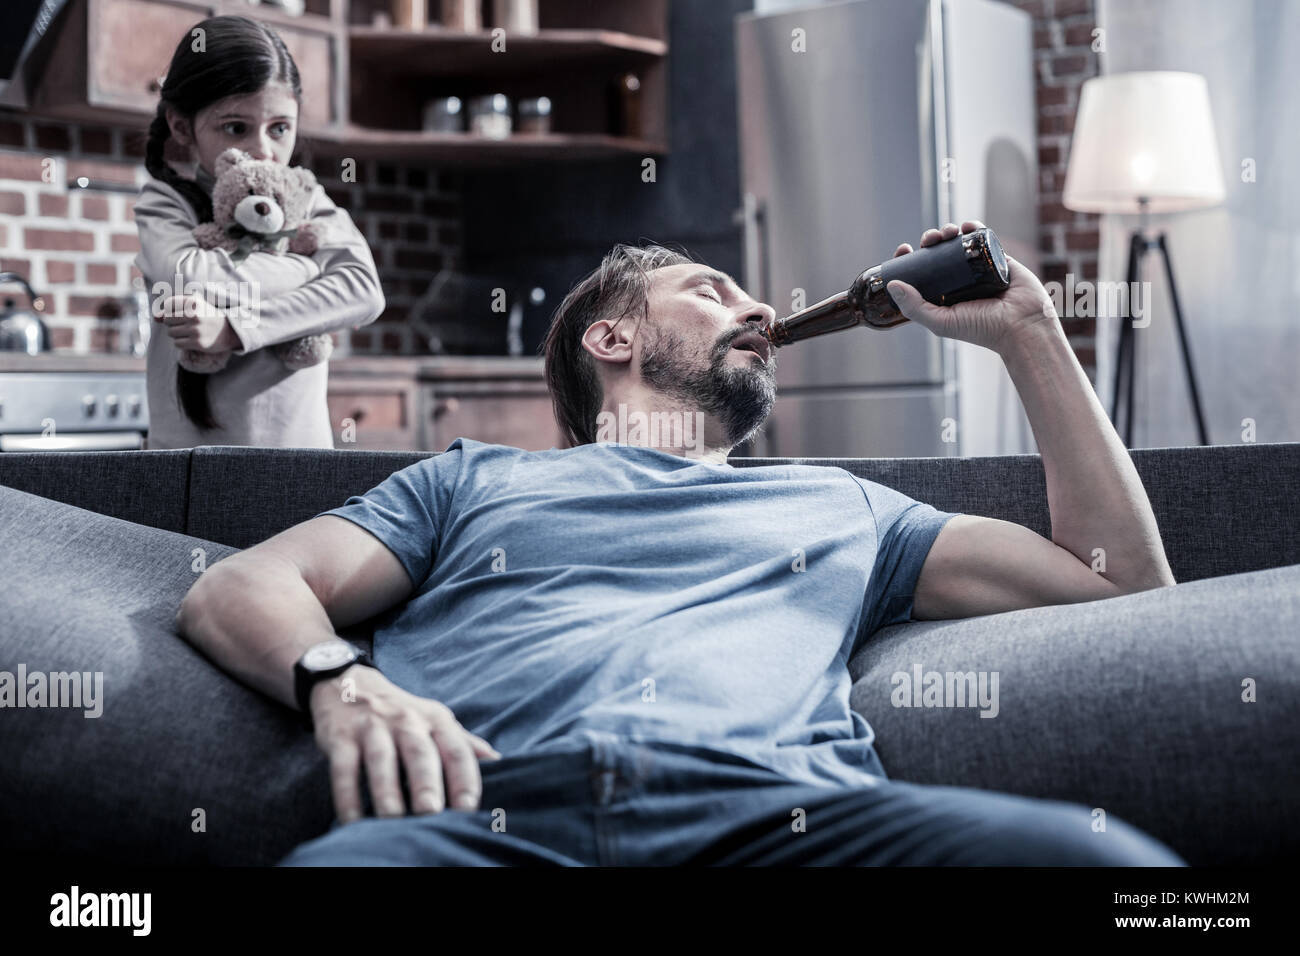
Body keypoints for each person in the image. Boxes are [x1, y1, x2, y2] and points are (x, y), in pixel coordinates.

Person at [175, 222, 1185, 865]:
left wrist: (1029, 331)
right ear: (611, 340)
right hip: (483, 821)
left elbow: (1128, 592)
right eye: (710, 289)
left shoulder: (840, 505)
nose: (755, 308)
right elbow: (240, 587)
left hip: (785, 823)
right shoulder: (475, 478)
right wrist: (343, 687)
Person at [134, 15, 383, 449]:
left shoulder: (307, 198)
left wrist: (235, 328)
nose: (264, 151)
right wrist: (307, 271)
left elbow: (363, 291)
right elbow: (188, 275)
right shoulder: (164, 201)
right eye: (236, 128)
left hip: (300, 462)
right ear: (180, 126)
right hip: (183, 465)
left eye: (280, 128)